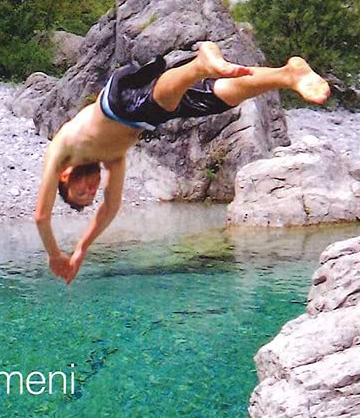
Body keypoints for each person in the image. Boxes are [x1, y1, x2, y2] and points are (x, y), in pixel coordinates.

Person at [34, 41, 330, 282]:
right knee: (218, 96)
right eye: (90, 194)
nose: (91, 188)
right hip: (148, 108)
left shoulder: (63, 147)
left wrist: (54, 255)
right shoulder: (113, 159)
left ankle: (199, 64)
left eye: (80, 191)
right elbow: (110, 208)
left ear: (65, 177)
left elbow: (41, 216)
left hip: (119, 100)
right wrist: (82, 248)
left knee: (153, 105)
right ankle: (289, 74)